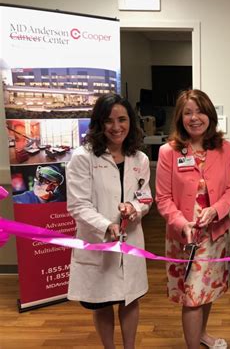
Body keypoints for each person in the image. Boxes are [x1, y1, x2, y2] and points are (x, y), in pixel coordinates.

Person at [66, 93, 152, 349]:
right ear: (99, 123)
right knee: (101, 302)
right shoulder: (84, 157)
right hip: (99, 242)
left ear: (131, 121)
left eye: (122, 119)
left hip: (131, 240)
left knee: (130, 299)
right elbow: (78, 205)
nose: (116, 127)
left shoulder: (140, 158)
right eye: (109, 120)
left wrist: (134, 209)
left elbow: (145, 197)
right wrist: (107, 225)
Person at [155, 89, 230, 349]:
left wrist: (216, 210)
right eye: (187, 112)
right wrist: (183, 224)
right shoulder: (169, 152)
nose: (194, 117)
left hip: (215, 235)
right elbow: (163, 198)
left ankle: (202, 334)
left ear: (210, 115)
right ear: (180, 118)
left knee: (207, 290)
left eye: (200, 111)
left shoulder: (225, 149)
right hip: (185, 237)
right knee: (191, 296)